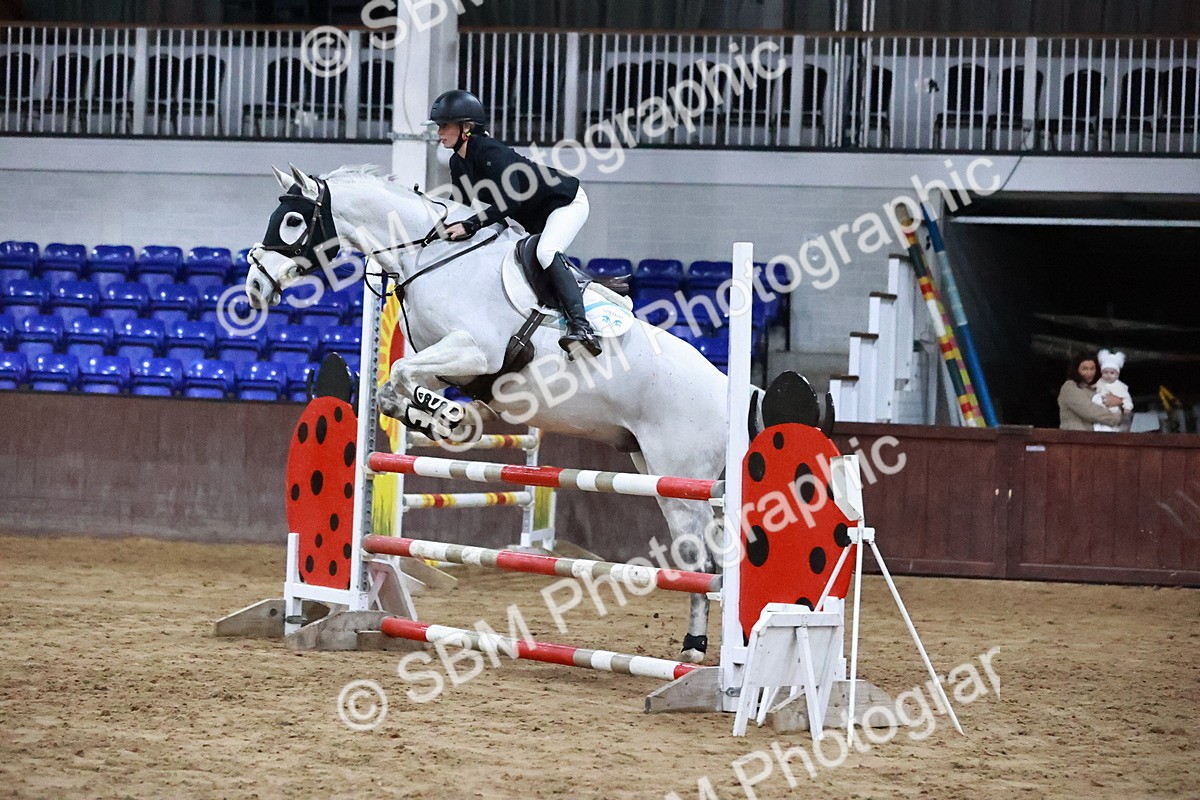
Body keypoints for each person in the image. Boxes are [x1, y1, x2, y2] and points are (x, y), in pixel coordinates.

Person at [426, 89, 602, 357]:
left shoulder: (490, 152)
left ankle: (582, 327)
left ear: (467, 127)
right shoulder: (458, 162)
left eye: (444, 125)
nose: (439, 132)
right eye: (439, 126)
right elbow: (458, 207)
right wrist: (433, 232)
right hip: (532, 217)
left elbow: (511, 202)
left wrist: (472, 225)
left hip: (565, 203)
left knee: (546, 252)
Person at [1058, 353, 1124, 431]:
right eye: (1084, 369)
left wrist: (1118, 403)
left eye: (1092, 368)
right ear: (1076, 369)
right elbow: (1090, 411)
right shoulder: (1070, 387)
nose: (1089, 373)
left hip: (1092, 439)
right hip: (1074, 438)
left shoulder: (1095, 388)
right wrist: (1116, 418)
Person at [1091, 349, 1133, 433]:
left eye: (1112, 373)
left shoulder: (1120, 386)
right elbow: (1095, 386)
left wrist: (1127, 407)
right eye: (1105, 372)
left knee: (1111, 426)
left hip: (1113, 410)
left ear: (1117, 374)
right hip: (1101, 408)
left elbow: (1126, 398)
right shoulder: (1101, 381)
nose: (1108, 375)